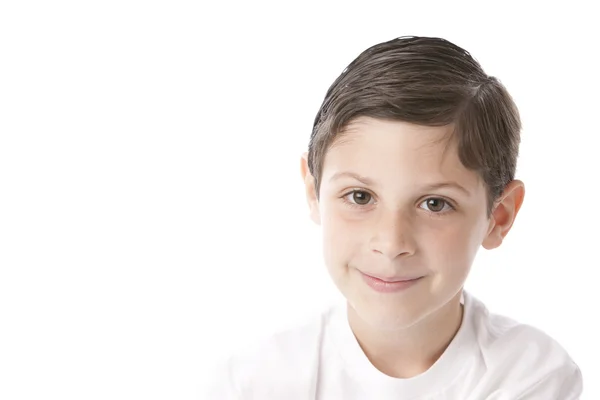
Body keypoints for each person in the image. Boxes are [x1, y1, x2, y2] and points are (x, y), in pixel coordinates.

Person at [204, 36, 583, 399]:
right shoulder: (255, 381)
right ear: (313, 192)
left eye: (435, 204)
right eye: (360, 196)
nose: (391, 243)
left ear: (498, 217)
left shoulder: (530, 375)